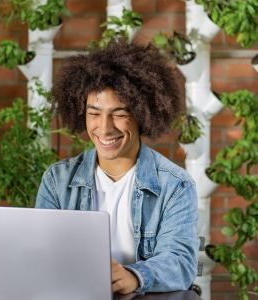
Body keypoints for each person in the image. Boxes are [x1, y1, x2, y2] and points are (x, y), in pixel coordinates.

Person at [35, 41, 199, 295]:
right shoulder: (57, 180)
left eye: (119, 113)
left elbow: (180, 262)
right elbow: (41, 254)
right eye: (94, 113)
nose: (104, 127)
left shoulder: (175, 185)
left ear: (143, 115)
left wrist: (134, 275)